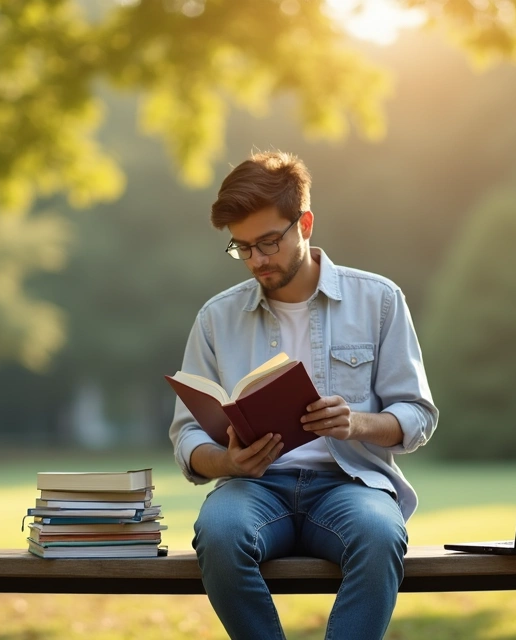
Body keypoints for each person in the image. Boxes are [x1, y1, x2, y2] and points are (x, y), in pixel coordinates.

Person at [168, 150, 439, 640]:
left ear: (305, 223)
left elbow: (417, 414)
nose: (256, 260)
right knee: (220, 534)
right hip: (253, 489)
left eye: (268, 242)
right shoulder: (216, 317)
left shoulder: (378, 300)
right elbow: (187, 434)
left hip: (350, 485)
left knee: (380, 536)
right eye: (242, 248)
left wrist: (356, 423)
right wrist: (228, 463)